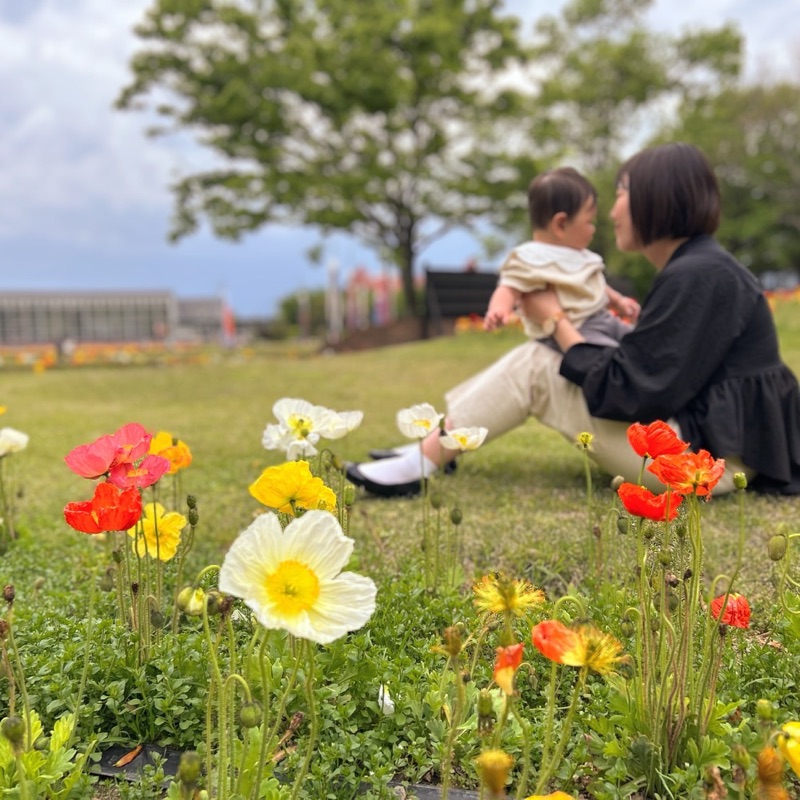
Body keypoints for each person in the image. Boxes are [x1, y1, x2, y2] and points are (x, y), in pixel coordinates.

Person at [347, 143, 800, 498]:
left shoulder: (700, 275)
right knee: (539, 356)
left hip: (708, 465)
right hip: (714, 452)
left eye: (622, 193)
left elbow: (630, 392)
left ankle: (425, 459)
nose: (611, 211)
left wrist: (556, 319)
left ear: (655, 199)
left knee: (537, 364)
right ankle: (434, 447)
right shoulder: (701, 269)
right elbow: (654, 375)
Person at [483, 166, 639, 350]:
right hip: (575, 330)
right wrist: (499, 309)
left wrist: (618, 301)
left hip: (603, 318)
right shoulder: (531, 258)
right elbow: (508, 288)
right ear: (561, 224)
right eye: (590, 222)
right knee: (613, 356)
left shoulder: (579, 255)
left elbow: (596, 285)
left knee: (637, 341)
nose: (593, 229)